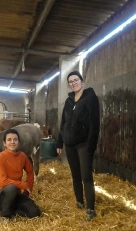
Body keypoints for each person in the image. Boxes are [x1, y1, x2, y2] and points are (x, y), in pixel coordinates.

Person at [56, 70, 100, 221]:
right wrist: (59, 141)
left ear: (82, 82)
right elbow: (63, 123)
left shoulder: (90, 98)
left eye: (76, 80)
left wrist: (91, 147)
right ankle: (79, 202)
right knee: (75, 174)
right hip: (69, 143)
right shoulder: (69, 101)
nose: (73, 83)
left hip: (83, 143)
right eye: (71, 81)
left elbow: (95, 124)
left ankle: (91, 209)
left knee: (86, 175)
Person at [0, 128, 41, 221]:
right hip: (0, 194)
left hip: (15, 194)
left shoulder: (22, 156)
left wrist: (28, 189)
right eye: (9, 140)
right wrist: (23, 185)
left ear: (19, 142)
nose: (12, 142)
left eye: (15, 139)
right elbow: (3, 181)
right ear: (4, 143)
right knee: (11, 188)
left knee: (35, 213)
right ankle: (4, 215)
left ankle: (11, 210)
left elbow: (30, 171)